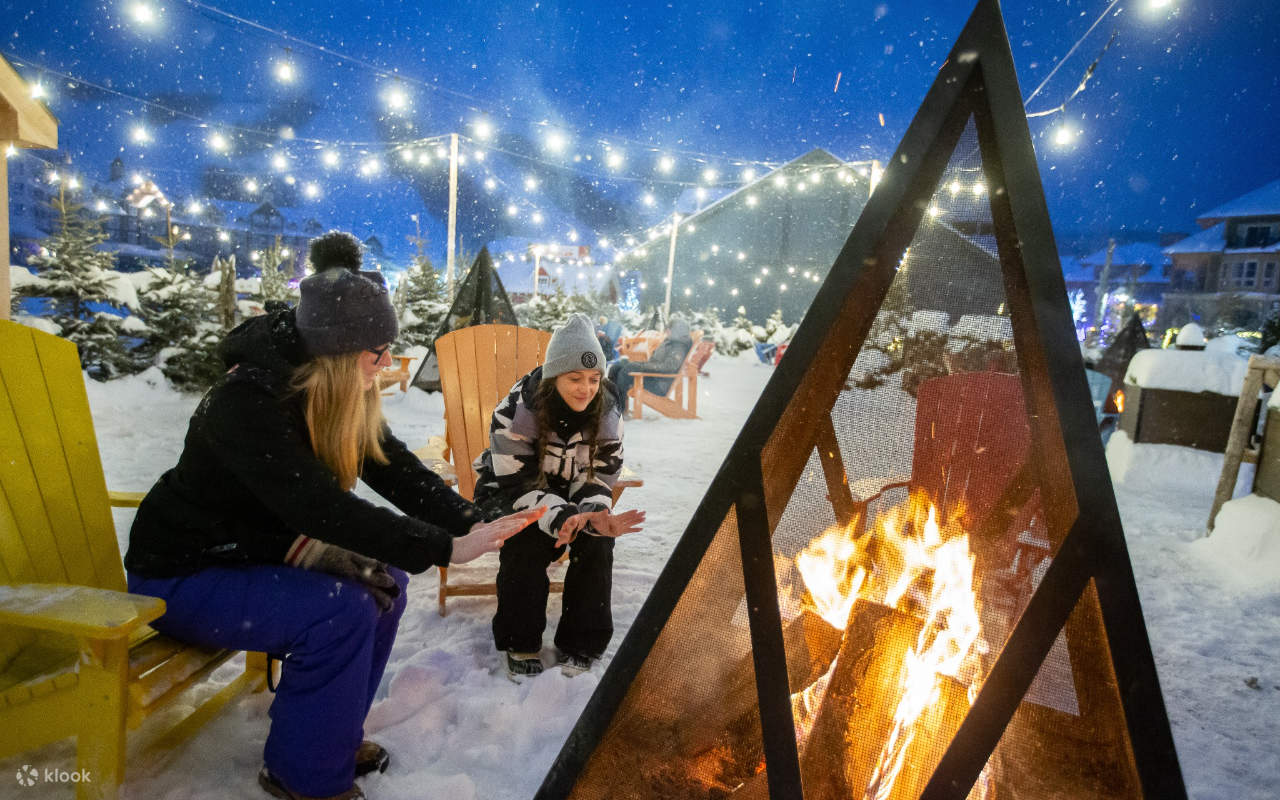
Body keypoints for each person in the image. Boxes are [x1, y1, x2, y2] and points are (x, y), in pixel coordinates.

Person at [124, 230, 541, 800]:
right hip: (183, 571)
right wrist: (442, 549)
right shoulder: (246, 404)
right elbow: (318, 507)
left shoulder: (329, 387)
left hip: (252, 553)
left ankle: (327, 735)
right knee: (339, 612)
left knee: (386, 582)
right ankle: (306, 776)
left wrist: (469, 523)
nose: (387, 363)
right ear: (338, 353)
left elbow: (391, 466)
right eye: (377, 352)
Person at [472, 313, 645, 680]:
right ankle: (520, 640)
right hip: (511, 488)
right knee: (526, 536)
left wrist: (593, 512)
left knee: (597, 539)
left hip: (572, 488)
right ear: (554, 376)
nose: (586, 388)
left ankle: (582, 642)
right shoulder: (516, 411)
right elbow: (518, 482)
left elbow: (599, 473)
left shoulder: (608, 411)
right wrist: (561, 515)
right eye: (575, 378)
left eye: (594, 379)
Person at [606, 317, 694, 400]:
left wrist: (643, 366)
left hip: (659, 383)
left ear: (677, 331)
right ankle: (611, 399)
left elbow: (669, 367)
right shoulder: (670, 342)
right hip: (652, 376)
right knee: (617, 367)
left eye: (669, 329)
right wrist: (642, 365)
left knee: (626, 371)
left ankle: (618, 404)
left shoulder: (679, 348)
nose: (666, 331)